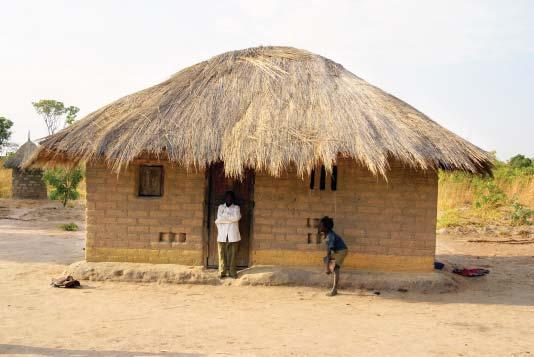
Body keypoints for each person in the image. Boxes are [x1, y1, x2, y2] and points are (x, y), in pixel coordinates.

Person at [319, 216, 348, 296]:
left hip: (341, 251)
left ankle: (334, 289)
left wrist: (327, 268)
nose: (319, 227)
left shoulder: (330, 237)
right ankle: (331, 270)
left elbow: (329, 253)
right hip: (338, 251)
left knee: (335, 268)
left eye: (321, 226)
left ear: (325, 227)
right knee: (326, 260)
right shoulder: (327, 233)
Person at [215, 191, 241, 278]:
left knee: (233, 255)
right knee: (221, 254)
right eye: (227, 197)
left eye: (230, 197)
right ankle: (222, 272)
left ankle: (232, 272)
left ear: (233, 199)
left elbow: (236, 218)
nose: (228, 198)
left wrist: (224, 218)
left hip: (233, 234)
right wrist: (230, 219)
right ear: (225, 198)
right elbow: (219, 218)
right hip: (222, 234)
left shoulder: (236, 208)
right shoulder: (221, 207)